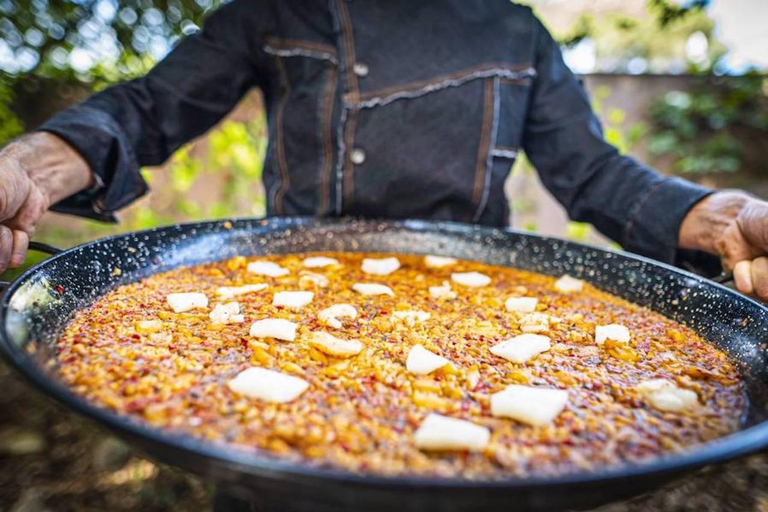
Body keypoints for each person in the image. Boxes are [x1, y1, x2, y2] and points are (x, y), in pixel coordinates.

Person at [1, 0, 768, 303]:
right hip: (289, 293)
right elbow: (146, 109)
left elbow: (594, 173)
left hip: (477, 299)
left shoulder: (515, 30)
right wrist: (22, 175)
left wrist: (726, 219)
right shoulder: (273, 11)